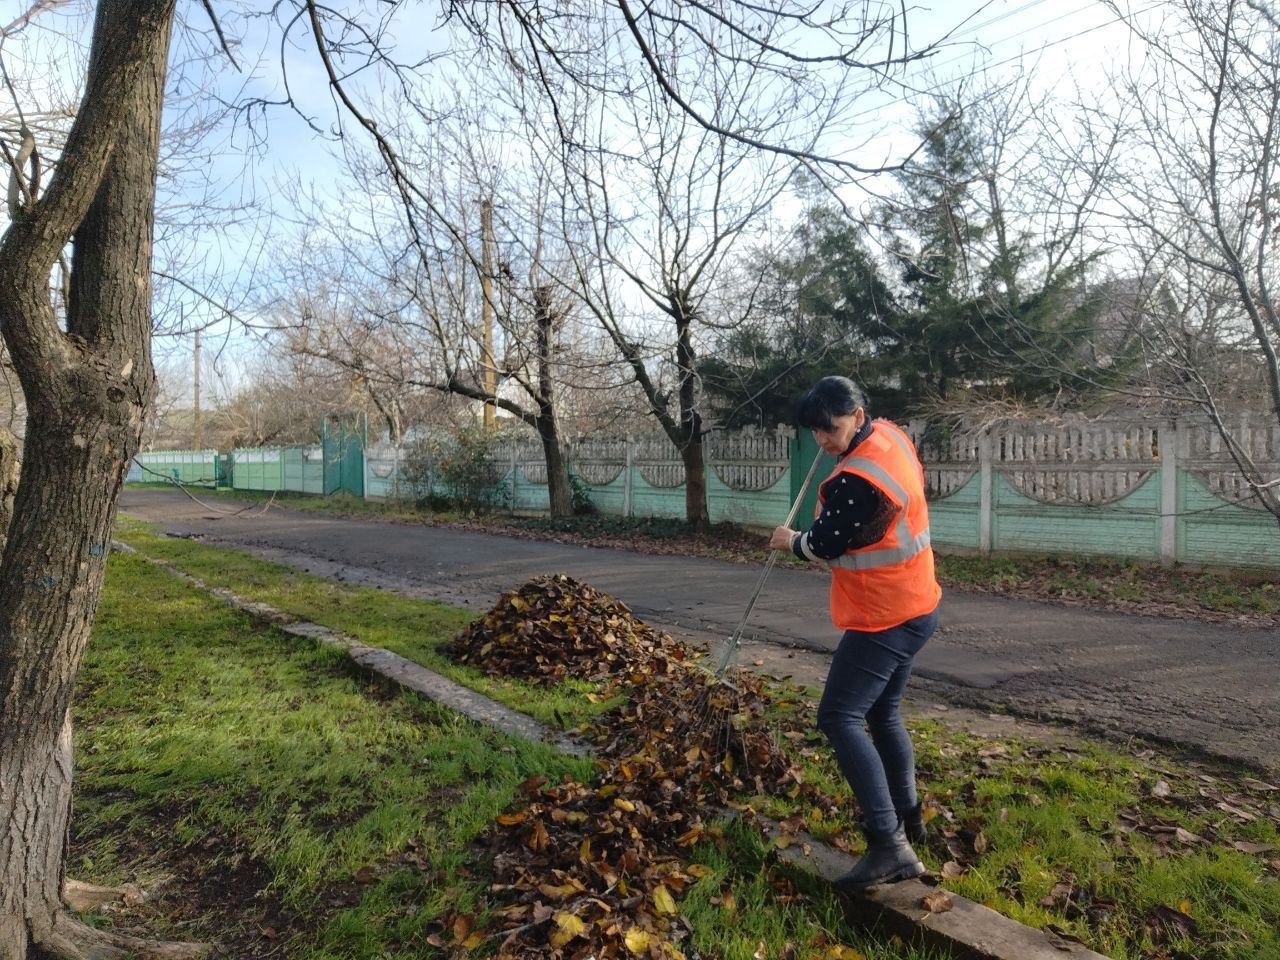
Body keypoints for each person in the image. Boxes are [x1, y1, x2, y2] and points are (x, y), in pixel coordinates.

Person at [769, 375, 941, 891]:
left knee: (839, 716)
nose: (824, 441)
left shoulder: (855, 480)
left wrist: (789, 540)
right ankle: (909, 818)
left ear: (859, 416)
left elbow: (824, 544)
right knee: (883, 712)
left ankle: (891, 847)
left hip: (884, 616)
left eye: (832, 429)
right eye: (816, 433)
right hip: (918, 603)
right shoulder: (891, 436)